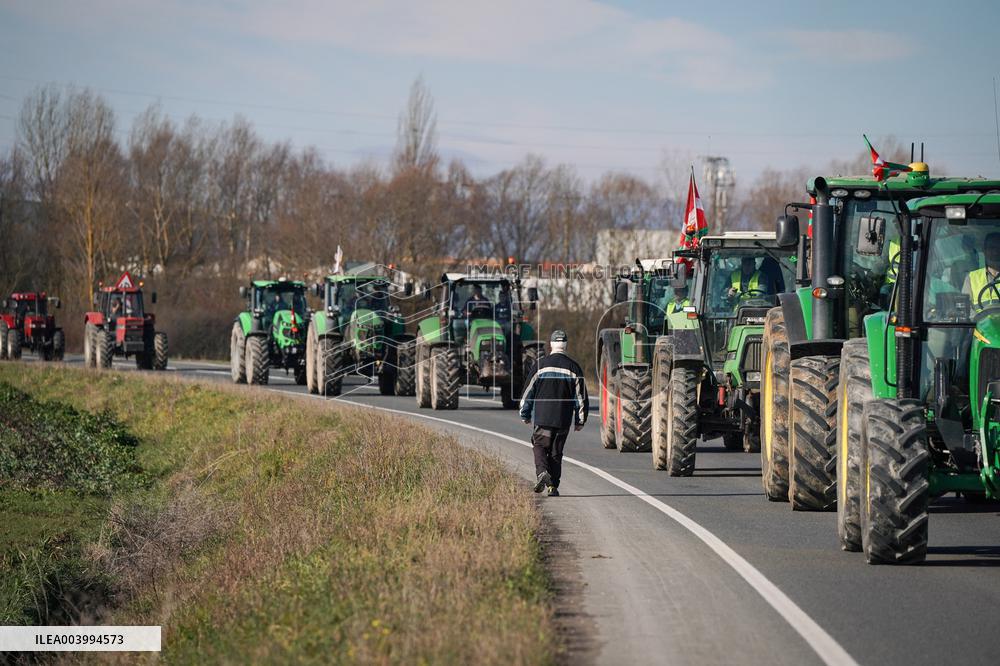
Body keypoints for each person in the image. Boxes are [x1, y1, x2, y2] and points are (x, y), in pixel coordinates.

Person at [519, 330, 589, 497]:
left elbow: (528, 392)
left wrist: (524, 413)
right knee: (556, 452)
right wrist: (580, 420)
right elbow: (581, 397)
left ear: (551, 344)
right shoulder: (574, 367)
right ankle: (553, 487)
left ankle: (542, 472)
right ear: (565, 345)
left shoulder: (540, 365)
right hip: (563, 419)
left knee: (539, 445)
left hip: (543, 417)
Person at [964, 232, 1000, 309]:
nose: (995, 252)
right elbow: (966, 309)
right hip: (978, 317)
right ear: (984, 250)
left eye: (998, 247)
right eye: (991, 248)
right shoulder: (971, 278)